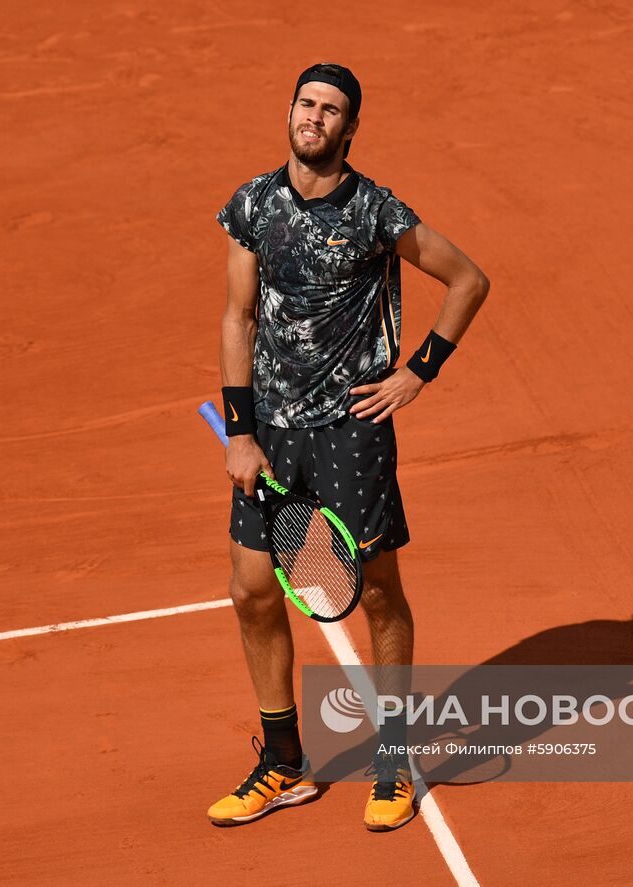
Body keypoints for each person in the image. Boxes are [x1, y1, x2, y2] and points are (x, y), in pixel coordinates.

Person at [207, 62, 490, 831]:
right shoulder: (254, 204)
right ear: (291, 111)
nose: (315, 118)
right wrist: (239, 429)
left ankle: (394, 757)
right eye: (306, 103)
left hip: (349, 432)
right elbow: (238, 318)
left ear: (350, 128)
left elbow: (468, 279)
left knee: (377, 592)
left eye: (331, 110)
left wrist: (417, 375)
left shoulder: (373, 210)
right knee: (251, 591)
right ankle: (284, 761)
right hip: (268, 429)